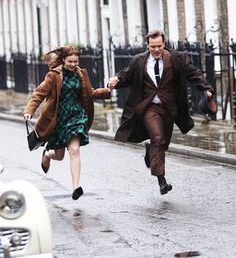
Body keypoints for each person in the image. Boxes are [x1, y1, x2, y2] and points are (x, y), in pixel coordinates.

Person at [108, 29, 216, 195]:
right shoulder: (139, 61)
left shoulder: (176, 58)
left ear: (164, 43)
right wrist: (116, 79)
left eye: (159, 45)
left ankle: (150, 150)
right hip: (149, 107)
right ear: (147, 45)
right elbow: (127, 75)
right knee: (158, 138)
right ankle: (161, 180)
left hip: (170, 108)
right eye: (153, 47)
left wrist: (207, 89)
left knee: (162, 143)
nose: (156, 49)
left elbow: (194, 74)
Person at [23, 44, 111, 200]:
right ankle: (47, 155)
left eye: (75, 61)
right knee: (59, 155)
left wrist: (107, 91)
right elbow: (39, 93)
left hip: (76, 116)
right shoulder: (54, 75)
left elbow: (89, 92)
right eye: (70, 61)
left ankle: (75, 187)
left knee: (74, 150)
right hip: (58, 119)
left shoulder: (80, 74)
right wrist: (29, 110)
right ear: (63, 60)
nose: (73, 64)